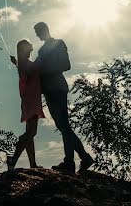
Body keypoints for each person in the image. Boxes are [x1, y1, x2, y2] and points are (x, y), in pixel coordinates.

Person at [16, 22, 95, 174]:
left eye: (38, 31)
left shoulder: (58, 44)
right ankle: (78, 159)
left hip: (57, 88)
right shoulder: (41, 50)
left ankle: (73, 161)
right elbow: (33, 70)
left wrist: (44, 69)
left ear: (45, 30)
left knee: (64, 126)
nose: (37, 35)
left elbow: (66, 65)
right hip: (49, 91)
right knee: (63, 127)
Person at [6, 39, 44, 170]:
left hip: (30, 99)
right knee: (31, 132)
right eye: (29, 45)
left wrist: (16, 63)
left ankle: (32, 164)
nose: (31, 46)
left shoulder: (23, 64)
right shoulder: (26, 65)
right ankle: (13, 159)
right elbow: (26, 74)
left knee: (30, 133)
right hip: (31, 100)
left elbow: (23, 72)